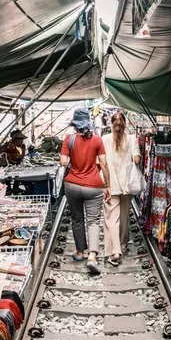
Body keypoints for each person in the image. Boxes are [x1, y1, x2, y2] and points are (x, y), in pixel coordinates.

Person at [60, 108, 111, 274]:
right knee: (94, 221)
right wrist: (108, 185)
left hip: (72, 186)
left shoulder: (69, 139)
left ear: (75, 125)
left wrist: (71, 160)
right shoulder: (97, 140)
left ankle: (80, 252)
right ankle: (92, 257)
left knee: (77, 219)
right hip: (94, 187)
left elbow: (63, 162)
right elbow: (103, 164)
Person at [101, 112, 141, 266]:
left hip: (110, 183)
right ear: (125, 124)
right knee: (124, 217)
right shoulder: (131, 139)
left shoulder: (104, 139)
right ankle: (122, 245)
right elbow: (136, 159)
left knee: (112, 218)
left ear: (111, 124)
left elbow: (101, 162)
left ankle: (115, 250)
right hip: (127, 184)